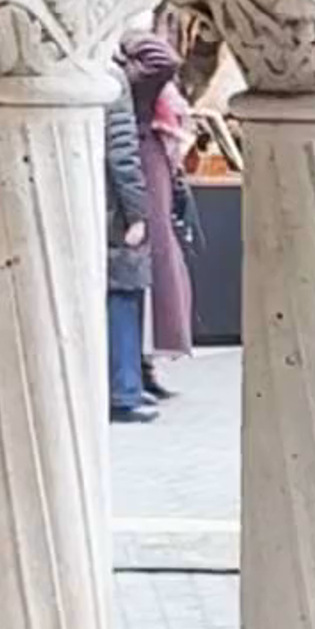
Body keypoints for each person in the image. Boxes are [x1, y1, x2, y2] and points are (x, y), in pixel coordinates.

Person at [122, 21, 196, 386]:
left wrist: (126, 38)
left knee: (149, 260)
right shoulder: (134, 87)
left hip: (144, 169)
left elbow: (162, 58)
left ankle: (143, 362)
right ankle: (135, 365)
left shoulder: (135, 85)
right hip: (132, 169)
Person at [102, 52, 162, 423]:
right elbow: (122, 152)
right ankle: (123, 391)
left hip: (87, 201)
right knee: (122, 295)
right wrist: (136, 211)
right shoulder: (113, 78)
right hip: (112, 208)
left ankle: (123, 385)